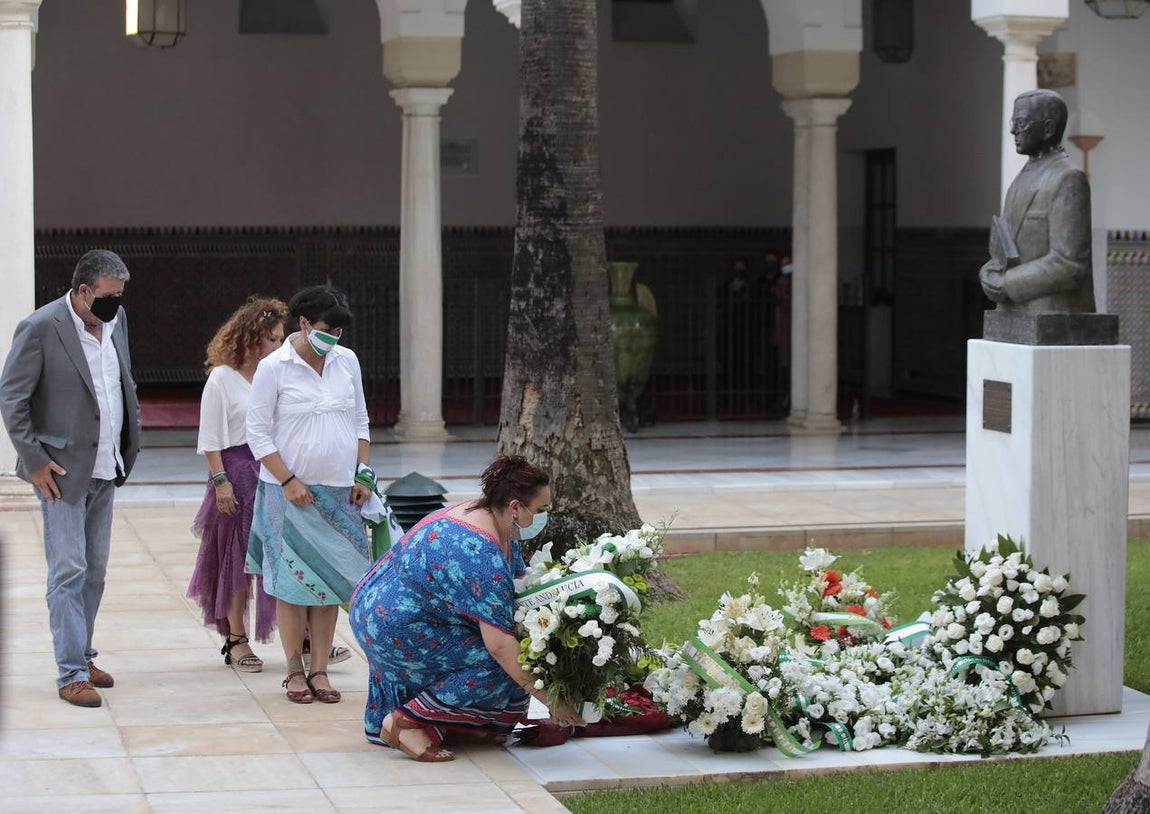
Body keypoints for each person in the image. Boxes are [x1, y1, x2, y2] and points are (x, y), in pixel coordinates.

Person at [348, 455, 585, 763]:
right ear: (515, 506)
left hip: (383, 605)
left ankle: (460, 722)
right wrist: (553, 700)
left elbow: (517, 584)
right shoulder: (479, 552)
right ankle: (406, 723)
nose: (543, 517)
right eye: (540, 510)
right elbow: (500, 647)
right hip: (390, 623)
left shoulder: (495, 519)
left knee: (513, 649)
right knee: (503, 663)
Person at [0, 250, 141, 707]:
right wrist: (34, 461)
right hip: (60, 473)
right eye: (109, 296)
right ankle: (71, 673)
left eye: (120, 296)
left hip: (106, 465)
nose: (116, 304)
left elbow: (120, 383)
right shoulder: (41, 327)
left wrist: (129, 440)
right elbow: (12, 399)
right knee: (68, 571)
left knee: (94, 572)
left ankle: (83, 653)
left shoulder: (116, 322)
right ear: (83, 291)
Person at [246, 286, 373, 705]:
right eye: (326, 329)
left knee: (330, 581)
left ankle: (320, 669)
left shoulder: (346, 360)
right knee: (293, 586)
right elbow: (257, 433)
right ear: (303, 324)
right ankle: (294, 671)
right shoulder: (274, 367)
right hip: (288, 493)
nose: (333, 337)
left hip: (340, 492)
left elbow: (360, 419)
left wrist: (364, 472)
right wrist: (287, 480)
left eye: (339, 331)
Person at [186, 297, 287, 672]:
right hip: (236, 472)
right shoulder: (222, 378)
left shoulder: (274, 375)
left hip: (271, 471)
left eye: (280, 339)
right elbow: (210, 438)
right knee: (238, 557)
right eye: (272, 339)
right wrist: (221, 482)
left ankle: (305, 637)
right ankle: (237, 638)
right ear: (251, 337)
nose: (278, 346)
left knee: (280, 554)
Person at [979, 89, 1094, 313]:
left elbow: (1069, 264)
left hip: (1052, 315)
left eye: (1021, 123)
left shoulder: (1068, 178)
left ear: (1048, 128)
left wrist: (1007, 283)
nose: (1013, 130)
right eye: (1013, 122)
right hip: (1015, 313)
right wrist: (989, 271)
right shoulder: (1021, 178)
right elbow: (1007, 249)